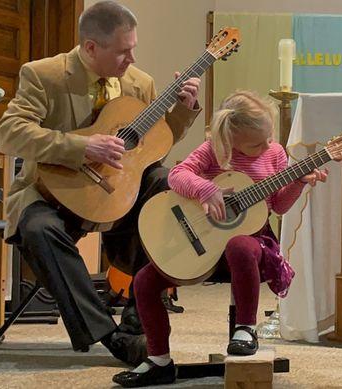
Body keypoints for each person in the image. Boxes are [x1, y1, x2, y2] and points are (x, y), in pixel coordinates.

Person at [0, 1, 201, 366]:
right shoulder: (43, 75)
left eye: (133, 48)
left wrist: (183, 111)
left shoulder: (140, 83)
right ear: (91, 47)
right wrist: (81, 146)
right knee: (39, 229)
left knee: (164, 183)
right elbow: (9, 132)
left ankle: (140, 311)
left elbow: (152, 145)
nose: (132, 59)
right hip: (51, 192)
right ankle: (108, 334)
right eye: (123, 51)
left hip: (117, 193)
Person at [112, 90, 328, 387]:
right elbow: (177, 175)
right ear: (231, 137)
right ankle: (159, 360)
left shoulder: (275, 153)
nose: (267, 145)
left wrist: (298, 183)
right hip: (204, 245)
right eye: (256, 143)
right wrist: (206, 190)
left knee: (238, 244)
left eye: (269, 137)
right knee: (144, 281)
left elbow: (278, 205)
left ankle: (245, 329)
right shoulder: (213, 150)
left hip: (252, 246)